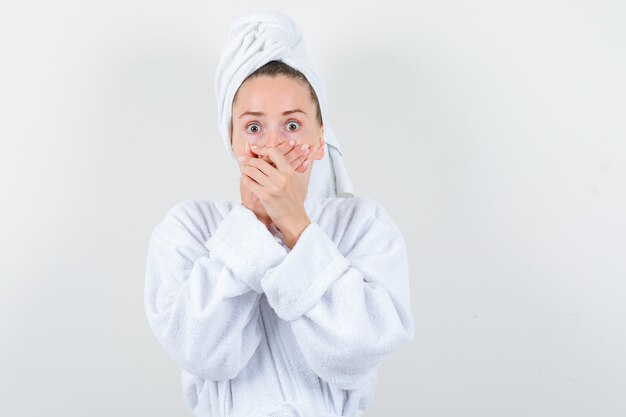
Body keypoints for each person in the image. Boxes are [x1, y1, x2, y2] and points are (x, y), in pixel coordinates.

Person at [144, 11, 415, 417]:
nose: (272, 146)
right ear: (232, 139)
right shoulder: (188, 228)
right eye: (254, 128)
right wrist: (250, 227)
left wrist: (296, 226)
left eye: (291, 125)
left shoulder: (363, 225)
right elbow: (200, 352)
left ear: (320, 139)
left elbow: (356, 355)